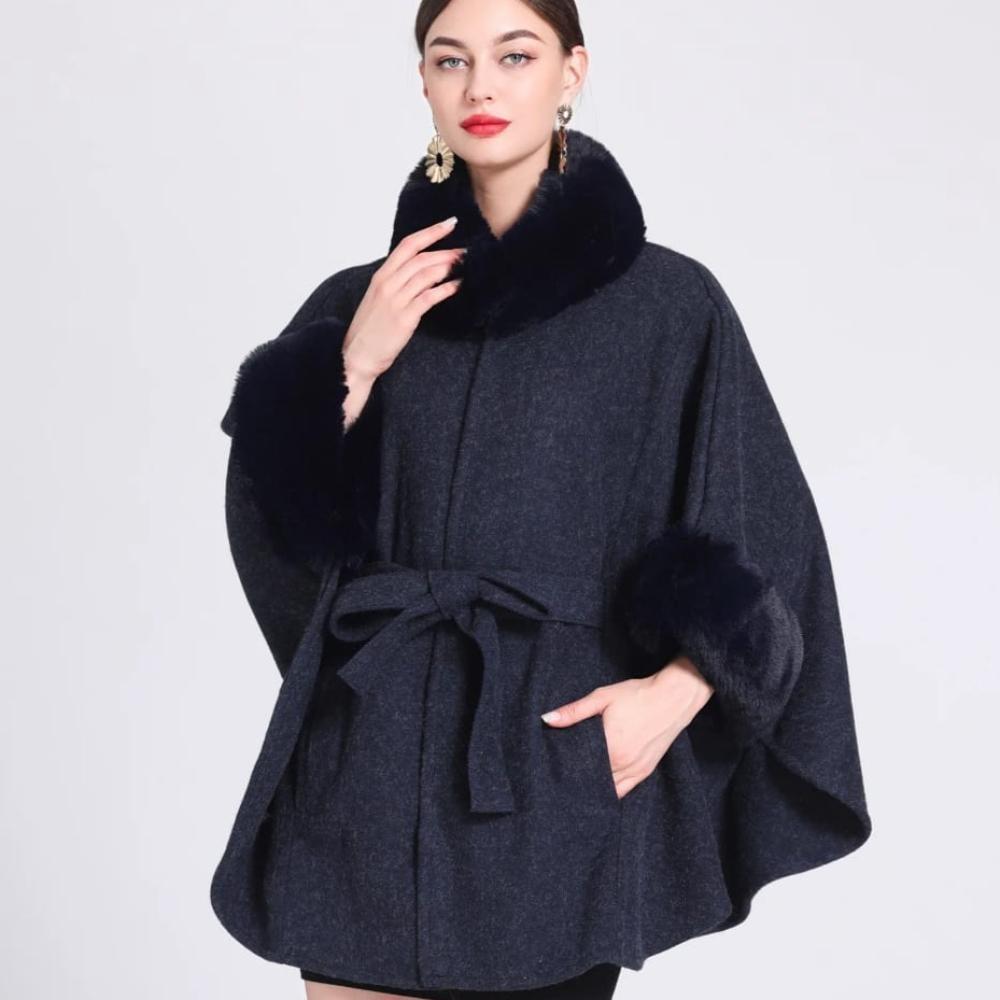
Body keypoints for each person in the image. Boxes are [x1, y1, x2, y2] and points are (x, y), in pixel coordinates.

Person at [209, 1, 874, 998]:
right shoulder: (357, 302)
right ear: (423, 81)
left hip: (551, 767)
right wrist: (355, 365)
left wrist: (677, 692)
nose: (480, 85)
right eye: (450, 60)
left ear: (571, 72)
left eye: (514, 55)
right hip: (368, 773)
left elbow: (767, 536)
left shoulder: (670, 305)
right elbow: (274, 532)